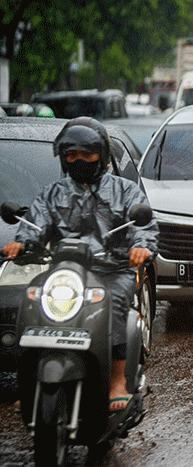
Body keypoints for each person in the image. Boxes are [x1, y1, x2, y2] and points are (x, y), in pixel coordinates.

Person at [2, 117, 159, 411]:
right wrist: (21, 242)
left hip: (112, 270)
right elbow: (35, 225)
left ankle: (117, 381)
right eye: (71, 155)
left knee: (114, 305)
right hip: (64, 274)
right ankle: (31, 382)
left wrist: (140, 247)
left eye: (87, 154)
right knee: (33, 303)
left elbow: (144, 226)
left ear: (101, 155)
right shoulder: (54, 193)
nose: (79, 160)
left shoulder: (125, 192)